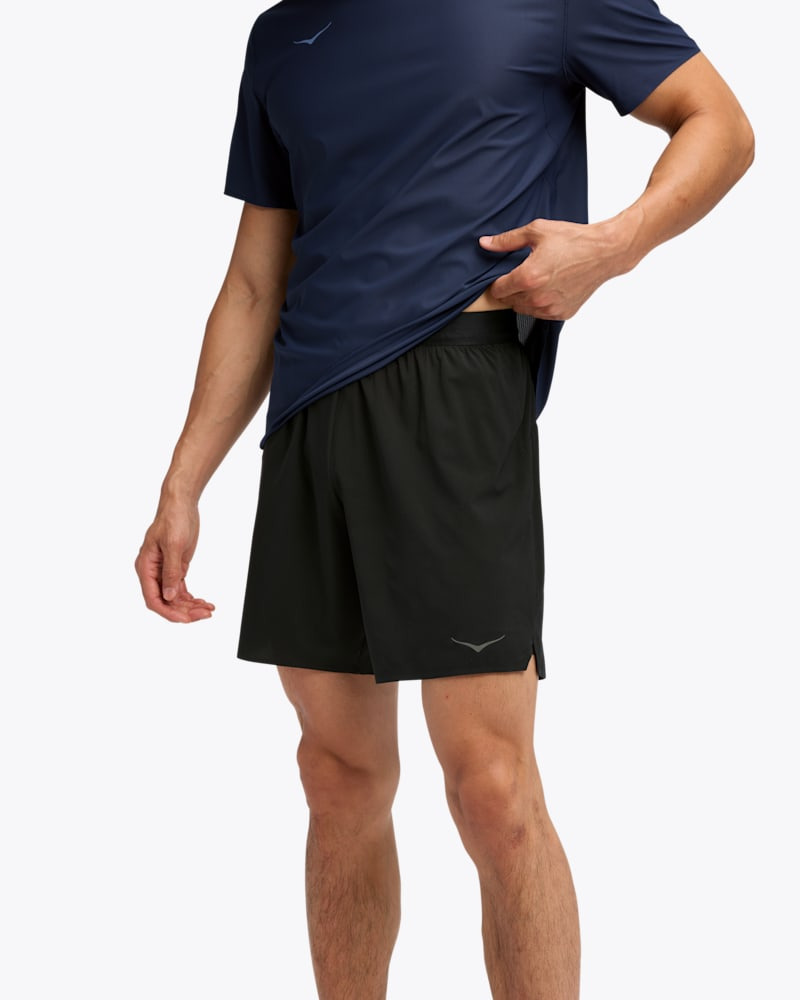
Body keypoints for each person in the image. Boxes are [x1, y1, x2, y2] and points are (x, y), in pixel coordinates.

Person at [135, 0, 754, 995]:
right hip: (310, 411)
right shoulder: (283, 33)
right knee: (335, 778)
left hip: (456, 383)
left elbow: (718, 122)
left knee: (492, 788)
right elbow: (254, 279)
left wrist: (612, 246)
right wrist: (182, 483)